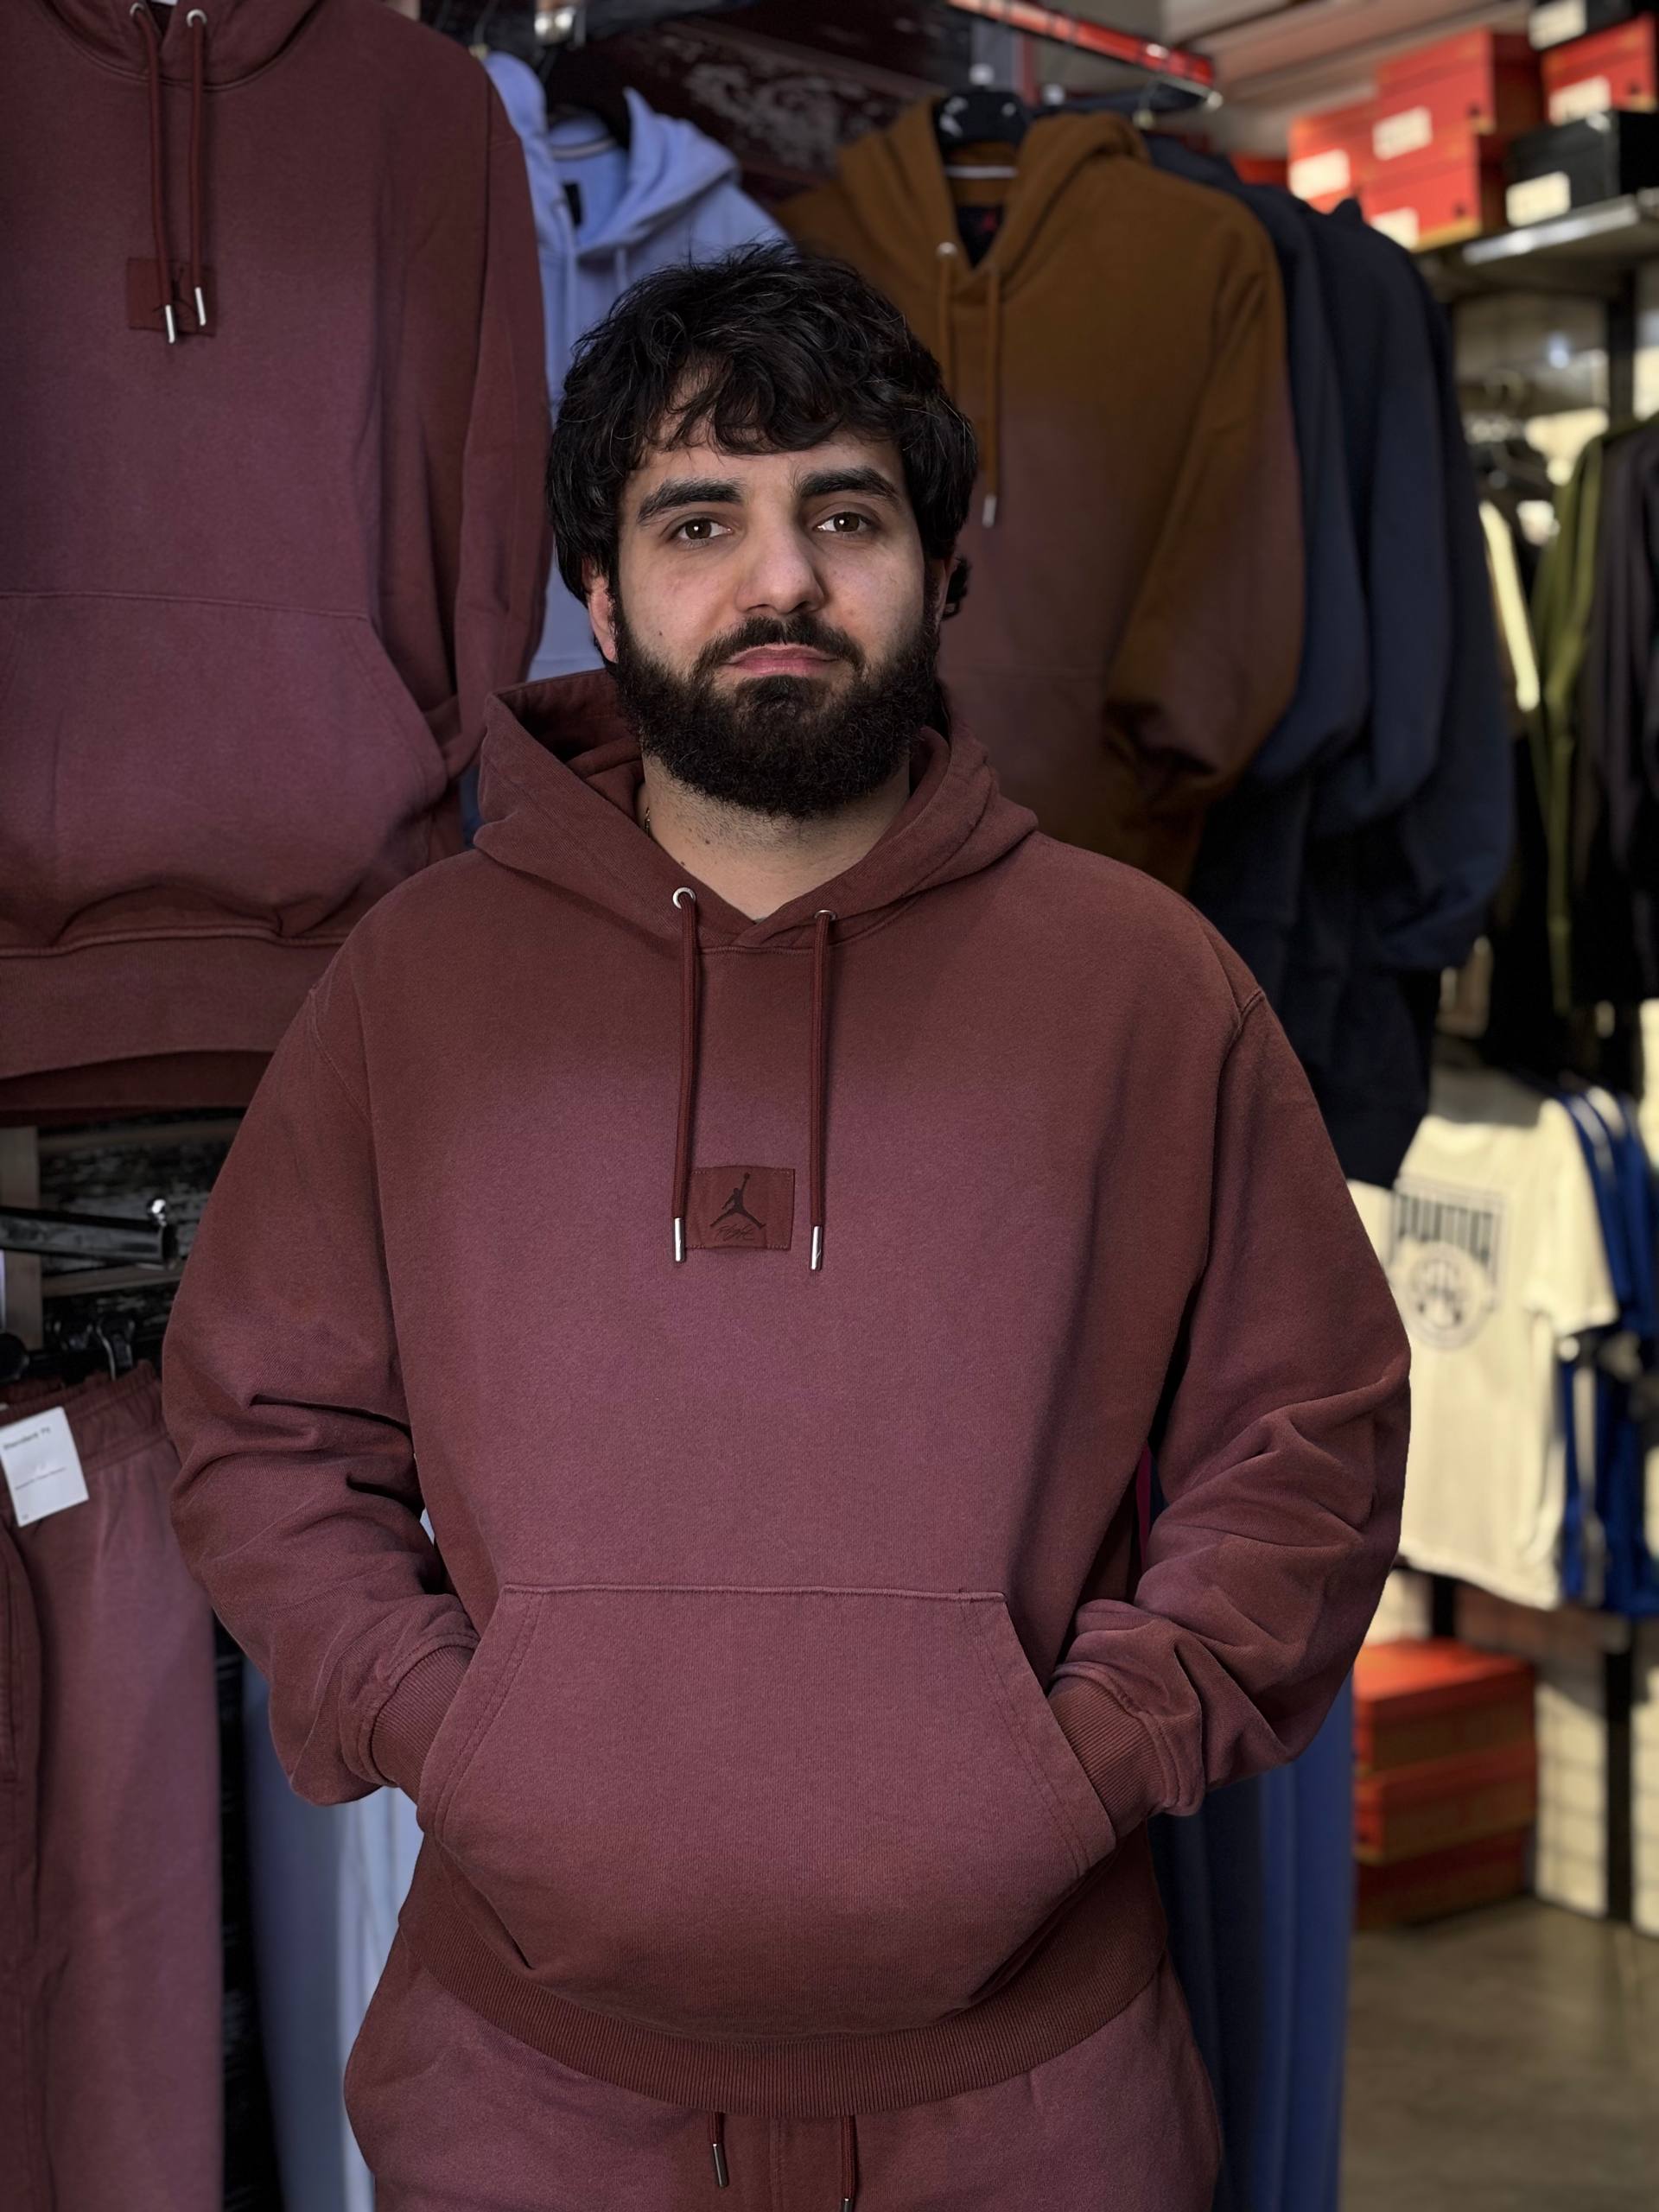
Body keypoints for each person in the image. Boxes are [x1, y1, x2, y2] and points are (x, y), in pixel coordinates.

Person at [162, 243, 1410, 2212]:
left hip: (1038, 2103)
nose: (782, 582)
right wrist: (452, 1730)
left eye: (846, 514)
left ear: (942, 569)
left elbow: (1311, 1439)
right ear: (598, 592)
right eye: (699, 523)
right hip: (528, 2099)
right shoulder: (414, 986)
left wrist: (1082, 1755)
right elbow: (258, 1429)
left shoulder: (1147, 982)